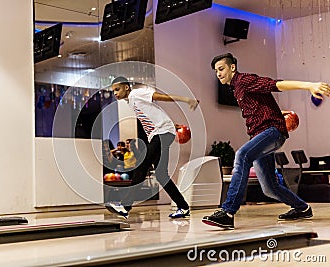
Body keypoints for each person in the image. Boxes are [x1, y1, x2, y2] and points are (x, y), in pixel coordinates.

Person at [202, 53, 330, 230]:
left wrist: (309, 86)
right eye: (216, 71)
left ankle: (228, 212)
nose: (218, 74)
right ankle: (302, 208)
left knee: (242, 155)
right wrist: (278, 112)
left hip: (272, 132)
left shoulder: (244, 80)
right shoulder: (236, 88)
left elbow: (275, 84)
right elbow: (262, 102)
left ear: (232, 67)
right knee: (269, 187)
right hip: (261, 135)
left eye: (221, 69)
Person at [105, 76, 199, 219]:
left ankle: (125, 206)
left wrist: (186, 100)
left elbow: (161, 97)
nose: (115, 93)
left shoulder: (136, 93)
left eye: (117, 89)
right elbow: (154, 114)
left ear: (126, 87)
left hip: (161, 133)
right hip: (161, 133)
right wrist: (172, 125)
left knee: (142, 166)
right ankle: (183, 207)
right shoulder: (131, 101)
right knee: (161, 174)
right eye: (113, 91)